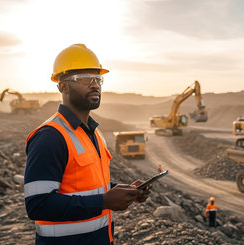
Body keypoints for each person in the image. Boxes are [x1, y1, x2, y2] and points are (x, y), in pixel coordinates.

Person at [24, 43, 150, 245]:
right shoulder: (50, 136)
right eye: (84, 79)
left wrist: (123, 190)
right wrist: (105, 201)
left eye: (98, 78)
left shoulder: (94, 133)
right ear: (62, 86)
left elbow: (87, 185)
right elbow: (38, 205)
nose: (95, 85)